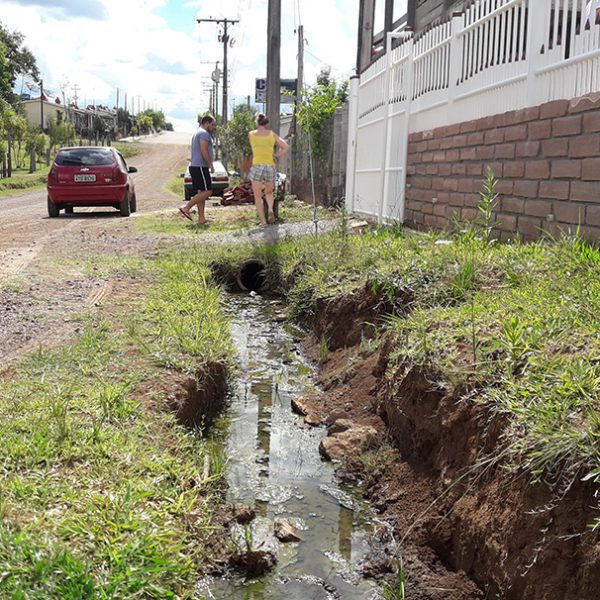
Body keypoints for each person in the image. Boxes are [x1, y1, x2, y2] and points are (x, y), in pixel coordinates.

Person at [248, 114, 289, 227]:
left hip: (257, 165)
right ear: (266, 123)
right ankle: (270, 208)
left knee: (257, 196)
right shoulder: (272, 135)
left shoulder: (251, 134)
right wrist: (276, 155)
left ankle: (263, 222)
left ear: (257, 123)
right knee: (269, 192)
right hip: (270, 165)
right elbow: (286, 146)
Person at [179, 114, 216, 224]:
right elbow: (204, 150)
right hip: (200, 166)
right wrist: (210, 164)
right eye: (213, 125)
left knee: (201, 192)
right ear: (207, 123)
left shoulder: (197, 132)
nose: (214, 127)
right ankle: (186, 207)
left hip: (195, 166)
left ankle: (201, 218)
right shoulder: (204, 134)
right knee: (208, 191)